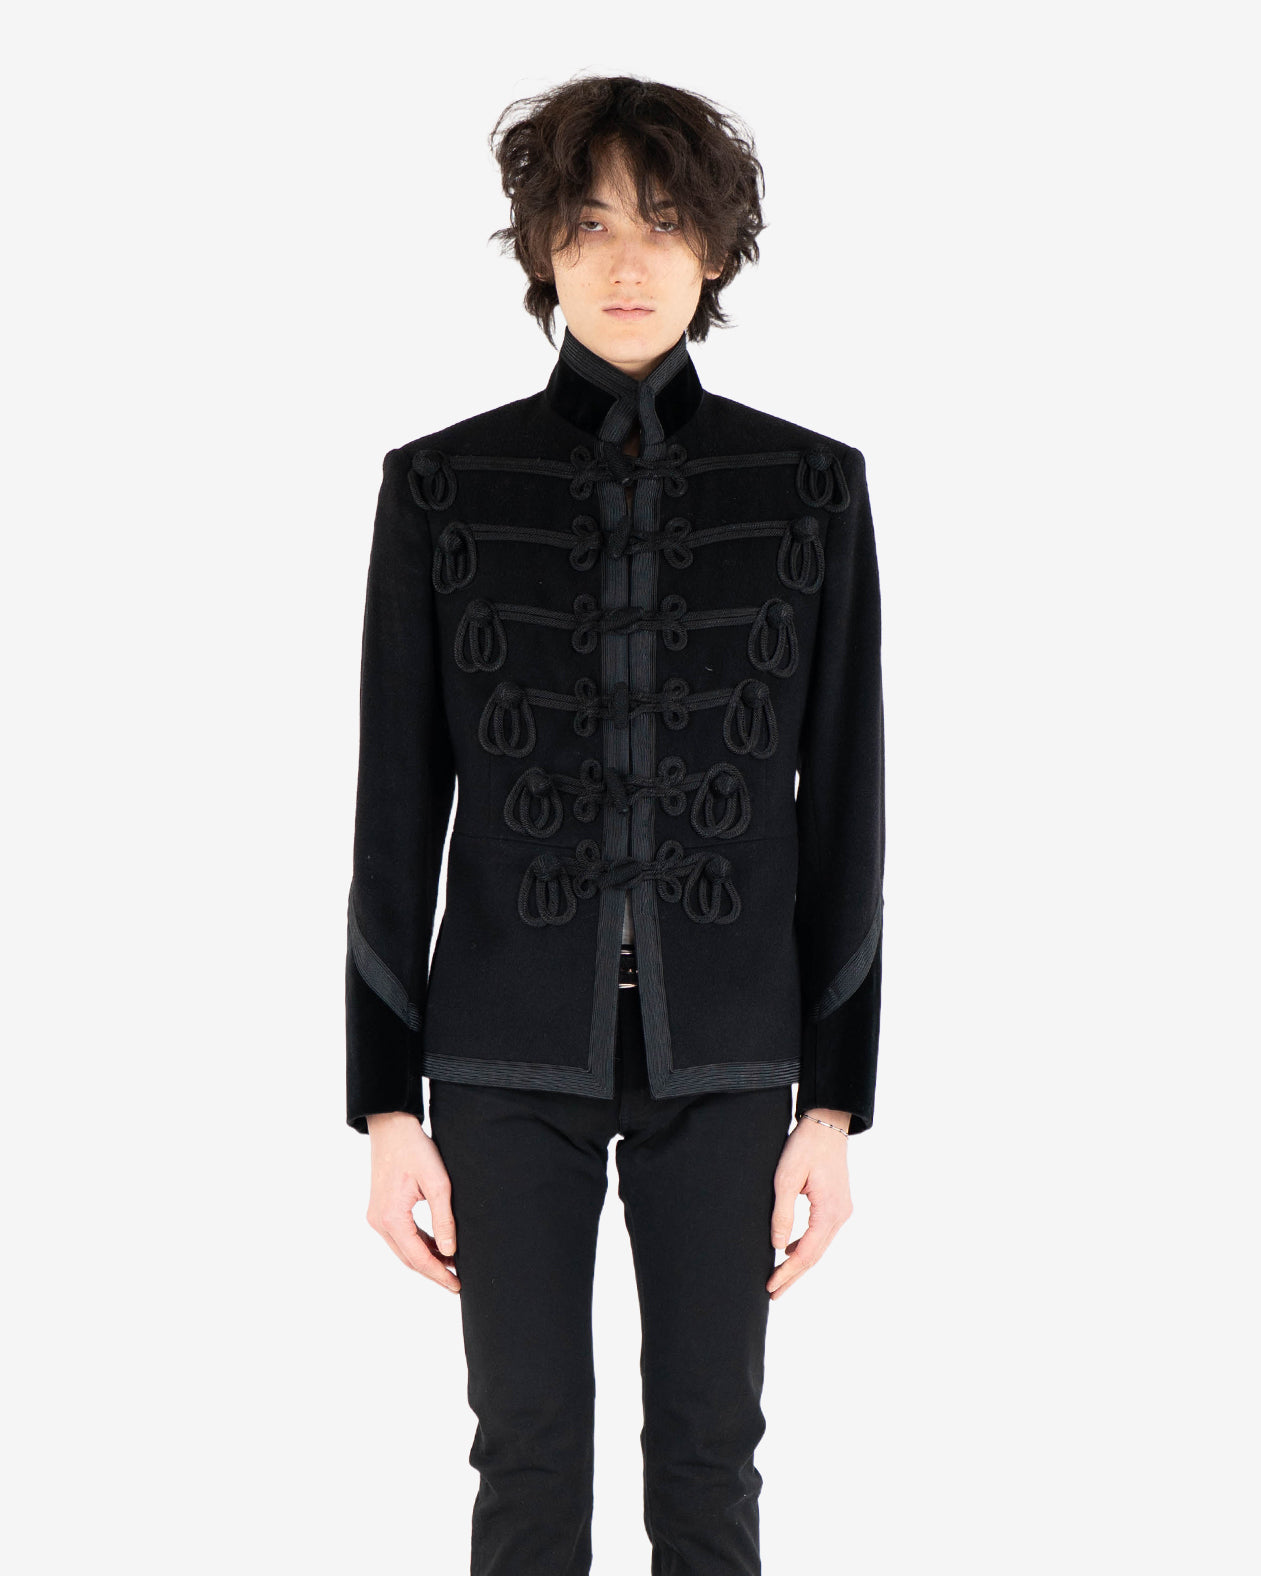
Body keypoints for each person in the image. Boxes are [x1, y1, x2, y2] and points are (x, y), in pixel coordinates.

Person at [347, 73, 885, 1575]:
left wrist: (833, 1106)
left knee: (709, 1461)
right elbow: (395, 805)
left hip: (732, 1058)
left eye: (662, 221)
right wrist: (386, 1105)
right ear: (541, 252)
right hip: (500, 1057)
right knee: (524, 1457)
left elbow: (845, 809)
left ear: (715, 248)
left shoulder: (811, 489)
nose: (627, 261)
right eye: (587, 226)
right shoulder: (440, 489)